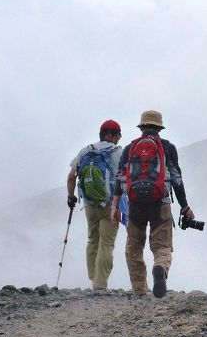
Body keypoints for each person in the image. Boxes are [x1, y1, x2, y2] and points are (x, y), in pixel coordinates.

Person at [110, 110, 195, 298]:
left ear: (141, 127)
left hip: (134, 204)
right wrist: (185, 207)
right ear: (159, 128)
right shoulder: (167, 148)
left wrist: (115, 206)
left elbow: (119, 178)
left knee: (134, 246)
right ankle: (160, 268)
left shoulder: (130, 148)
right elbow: (177, 179)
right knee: (162, 245)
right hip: (161, 202)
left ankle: (140, 290)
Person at [67, 119, 123, 291]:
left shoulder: (86, 150)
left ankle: (93, 279)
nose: (119, 139)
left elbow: (71, 176)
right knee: (107, 243)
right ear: (110, 135)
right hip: (110, 204)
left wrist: (71, 197)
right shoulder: (118, 152)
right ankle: (100, 283)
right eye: (118, 135)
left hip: (89, 204)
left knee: (92, 240)